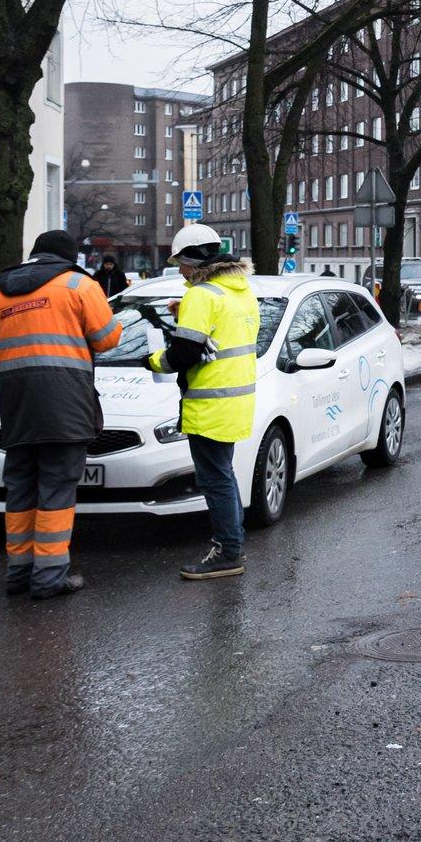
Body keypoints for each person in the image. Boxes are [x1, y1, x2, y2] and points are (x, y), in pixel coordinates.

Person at [0, 230, 123, 599]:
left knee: (21, 486)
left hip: (17, 405)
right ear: (68, 256)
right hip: (64, 402)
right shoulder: (79, 284)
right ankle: (49, 575)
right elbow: (108, 338)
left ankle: (19, 570)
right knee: (57, 487)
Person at [147, 223, 261, 581]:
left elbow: (183, 354)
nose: (180, 270)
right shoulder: (241, 292)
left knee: (215, 479)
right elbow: (222, 336)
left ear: (195, 260)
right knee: (222, 475)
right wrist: (186, 315)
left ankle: (229, 552)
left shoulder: (202, 296)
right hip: (236, 399)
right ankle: (231, 545)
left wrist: (151, 360)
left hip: (210, 402)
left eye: (181, 262)